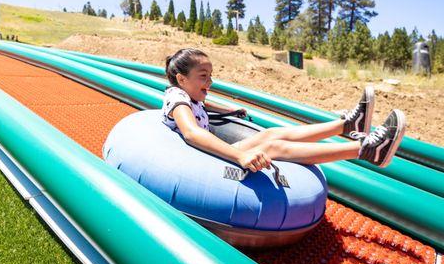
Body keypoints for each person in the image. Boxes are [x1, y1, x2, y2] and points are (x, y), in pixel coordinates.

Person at [162, 48, 406, 172]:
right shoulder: (177, 96)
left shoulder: (189, 96)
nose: (211, 82)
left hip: (201, 153)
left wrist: (230, 109)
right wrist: (239, 156)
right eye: (203, 76)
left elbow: (203, 105)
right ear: (182, 79)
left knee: (270, 134)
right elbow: (192, 133)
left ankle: (347, 125)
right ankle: (364, 150)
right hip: (195, 159)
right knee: (273, 146)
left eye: (211, 75)